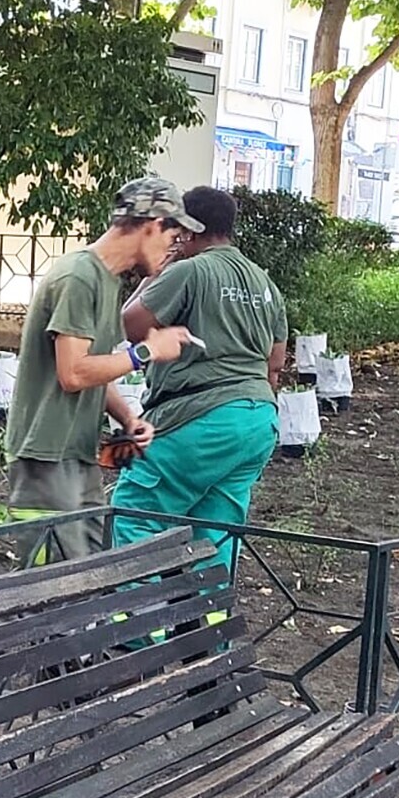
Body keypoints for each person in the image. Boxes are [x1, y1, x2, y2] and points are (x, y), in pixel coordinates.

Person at [3, 176, 197, 558]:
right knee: (52, 586)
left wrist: (128, 418)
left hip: (75, 454)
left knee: (90, 573)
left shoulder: (106, 280)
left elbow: (95, 369)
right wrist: (147, 352)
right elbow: (73, 374)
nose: (174, 248)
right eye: (173, 235)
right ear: (152, 224)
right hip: (45, 459)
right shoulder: (79, 277)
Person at [111, 185, 286, 576]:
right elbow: (275, 363)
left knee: (136, 514)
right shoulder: (264, 282)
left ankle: (138, 633)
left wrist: (156, 274)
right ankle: (210, 632)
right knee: (216, 533)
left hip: (201, 417)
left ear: (190, 229)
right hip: (257, 420)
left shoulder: (189, 271)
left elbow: (130, 324)